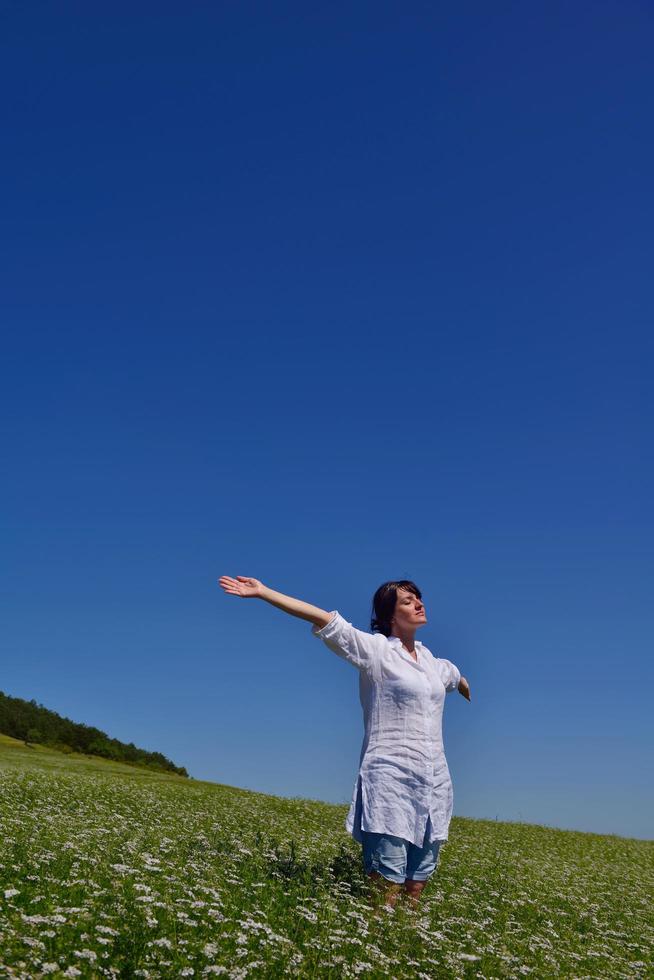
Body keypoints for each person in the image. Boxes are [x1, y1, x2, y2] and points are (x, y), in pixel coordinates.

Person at [217, 575, 471, 910]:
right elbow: (323, 619)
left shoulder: (433, 664)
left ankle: (407, 942)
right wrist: (264, 592)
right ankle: (378, 935)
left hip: (434, 782)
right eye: (408, 601)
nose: (419, 604)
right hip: (391, 776)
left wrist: (465, 684)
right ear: (390, 616)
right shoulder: (377, 651)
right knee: (388, 881)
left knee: (417, 881)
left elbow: (453, 676)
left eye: (419, 598)